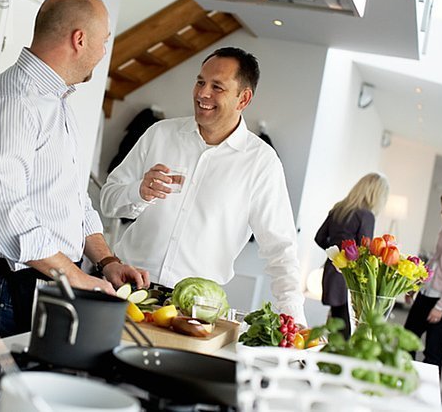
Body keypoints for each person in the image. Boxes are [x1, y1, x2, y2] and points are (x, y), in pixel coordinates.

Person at [0, 0, 149, 346]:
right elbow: (7, 215)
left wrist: (106, 260)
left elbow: (74, 200)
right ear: (80, 39)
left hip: (42, 283)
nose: (104, 51)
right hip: (5, 288)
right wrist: (78, 278)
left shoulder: (56, 102)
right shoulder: (12, 102)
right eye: (104, 41)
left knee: (29, 399)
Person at [100, 47, 306, 325]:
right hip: (125, 289)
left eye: (217, 87)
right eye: (200, 82)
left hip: (195, 310)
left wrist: (294, 320)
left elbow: (280, 249)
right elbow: (108, 201)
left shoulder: (262, 163)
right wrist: (139, 191)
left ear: (243, 99)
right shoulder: (159, 134)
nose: (202, 93)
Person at [314, 173, 390, 339]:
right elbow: (366, 250)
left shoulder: (338, 209)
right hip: (349, 275)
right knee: (346, 327)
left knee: (337, 319)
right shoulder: (366, 216)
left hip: (332, 271)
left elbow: (319, 238)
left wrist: (337, 255)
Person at [404, 188, 442, 372]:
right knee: (407, 341)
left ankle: (428, 396)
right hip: (426, 293)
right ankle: (403, 380)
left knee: (433, 350)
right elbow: (434, 259)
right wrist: (416, 284)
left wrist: (440, 307)